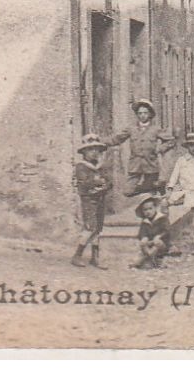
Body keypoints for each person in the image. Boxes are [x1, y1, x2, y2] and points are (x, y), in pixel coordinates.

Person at [71, 133, 114, 268]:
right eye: (90, 149)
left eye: (96, 149)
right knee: (90, 227)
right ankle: (77, 255)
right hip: (88, 200)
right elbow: (84, 182)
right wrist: (98, 182)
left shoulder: (101, 167)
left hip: (100, 199)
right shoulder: (81, 167)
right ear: (83, 151)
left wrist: (103, 185)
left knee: (98, 229)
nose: (94, 152)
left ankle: (95, 257)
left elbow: (109, 181)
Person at [123, 99, 174, 196]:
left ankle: (152, 190)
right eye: (140, 113)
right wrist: (103, 142)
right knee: (127, 192)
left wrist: (160, 149)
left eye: (145, 113)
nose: (142, 115)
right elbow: (117, 138)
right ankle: (155, 186)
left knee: (150, 195)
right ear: (137, 115)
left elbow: (171, 140)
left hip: (151, 166)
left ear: (150, 114)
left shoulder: (156, 129)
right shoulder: (131, 129)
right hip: (135, 166)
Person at [132, 193, 170, 269]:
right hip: (149, 244)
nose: (148, 211)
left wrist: (159, 236)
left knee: (157, 242)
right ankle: (151, 258)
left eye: (150, 208)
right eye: (145, 210)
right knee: (143, 243)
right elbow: (141, 233)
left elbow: (167, 230)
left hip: (161, 244)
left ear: (155, 208)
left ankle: (150, 259)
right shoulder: (145, 221)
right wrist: (144, 237)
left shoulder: (162, 218)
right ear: (142, 211)